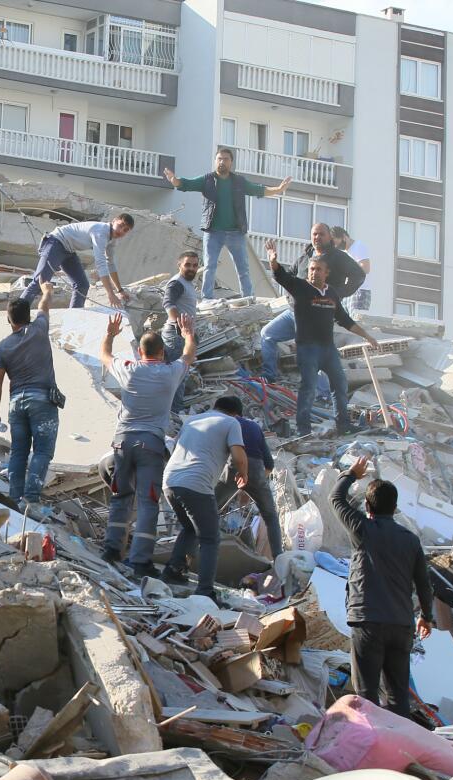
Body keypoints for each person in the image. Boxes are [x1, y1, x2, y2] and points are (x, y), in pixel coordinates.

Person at [331, 455, 434, 717]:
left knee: (366, 696)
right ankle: (399, 750)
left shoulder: (362, 528)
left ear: (367, 505)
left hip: (368, 622)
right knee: (398, 697)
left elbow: (336, 499)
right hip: (401, 625)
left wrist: (351, 474)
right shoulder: (410, 540)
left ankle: (370, 750)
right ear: (395, 507)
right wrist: (426, 617)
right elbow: (423, 582)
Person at [100, 306, 197, 578]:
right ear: (162, 352)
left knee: (120, 496)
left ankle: (111, 549)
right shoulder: (169, 373)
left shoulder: (129, 369)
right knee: (148, 501)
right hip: (151, 444)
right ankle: (139, 560)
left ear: (140, 352)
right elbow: (189, 355)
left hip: (122, 442)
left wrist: (109, 335)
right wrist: (188, 334)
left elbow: (105, 356)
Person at [265, 240, 380, 437]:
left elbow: (344, 319)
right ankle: (304, 430)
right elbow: (281, 276)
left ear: (326, 273)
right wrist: (273, 262)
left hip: (328, 349)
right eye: (311, 269)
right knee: (308, 388)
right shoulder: (300, 287)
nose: (313, 272)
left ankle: (343, 425)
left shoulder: (332, 293)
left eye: (318, 269)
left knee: (340, 385)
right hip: (307, 349)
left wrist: (368, 336)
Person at [164, 148, 291, 299]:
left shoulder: (239, 182)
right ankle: (207, 298)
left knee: (243, 268)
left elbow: (259, 190)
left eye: (225, 159)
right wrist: (175, 181)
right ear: (215, 161)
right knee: (209, 266)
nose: (222, 161)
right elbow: (187, 184)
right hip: (213, 232)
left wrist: (278, 189)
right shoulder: (207, 180)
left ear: (231, 162)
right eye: (219, 159)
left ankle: (248, 298)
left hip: (235, 232)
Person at [159, 397, 249, 598]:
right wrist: (243, 474)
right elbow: (238, 455)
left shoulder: (192, 420)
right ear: (236, 413)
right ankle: (205, 590)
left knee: (190, 527)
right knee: (210, 538)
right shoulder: (231, 422)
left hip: (171, 481)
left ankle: (173, 570)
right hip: (196, 483)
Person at [259, 223, 367, 383]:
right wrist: (274, 264)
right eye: (314, 234)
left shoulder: (338, 258)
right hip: (294, 313)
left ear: (329, 237)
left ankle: (323, 392)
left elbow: (358, 275)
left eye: (321, 234)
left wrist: (339, 293)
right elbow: (287, 277)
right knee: (267, 334)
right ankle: (269, 376)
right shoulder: (305, 257)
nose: (317, 237)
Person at [0, 283, 59, 510]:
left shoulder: (2, 346)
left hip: (16, 403)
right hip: (42, 401)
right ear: (28, 317)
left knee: (19, 451)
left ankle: (15, 499)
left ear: (9, 321)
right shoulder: (39, 329)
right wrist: (46, 289)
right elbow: (44, 305)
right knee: (42, 451)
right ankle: (31, 500)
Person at [20, 215, 134, 309]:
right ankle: (17, 317)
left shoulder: (112, 240)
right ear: (113, 221)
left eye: (125, 230)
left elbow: (110, 264)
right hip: (56, 242)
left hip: (69, 250)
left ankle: (72, 317)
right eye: (120, 225)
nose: (121, 231)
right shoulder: (101, 231)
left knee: (82, 285)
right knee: (40, 282)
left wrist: (120, 290)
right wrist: (110, 294)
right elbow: (101, 263)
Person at [215, 409, 283, 558]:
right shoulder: (254, 426)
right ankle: (278, 557)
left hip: (235, 468)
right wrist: (253, 485)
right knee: (270, 516)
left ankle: (200, 546)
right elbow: (269, 464)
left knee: (210, 509)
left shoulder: (224, 424)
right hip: (258, 470)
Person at [159, 250, 202, 412]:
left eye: (195, 265)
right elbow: (168, 304)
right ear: (179, 265)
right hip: (176, 335)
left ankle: (174, 410)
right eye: (187, 265)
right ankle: (174, 412)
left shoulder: (187, 283)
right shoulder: (177, 282)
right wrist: (180, 328)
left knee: (181, 375)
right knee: (178, 375)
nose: (191, 268)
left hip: (182, 335)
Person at [332, 225, 372, 314]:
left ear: (344, 237)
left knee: (356, 323)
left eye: (336, 243)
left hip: (359, 291)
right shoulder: (345, 252)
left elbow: (366, 268)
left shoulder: (358, 246)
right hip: (347, 293)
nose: (336, 246)